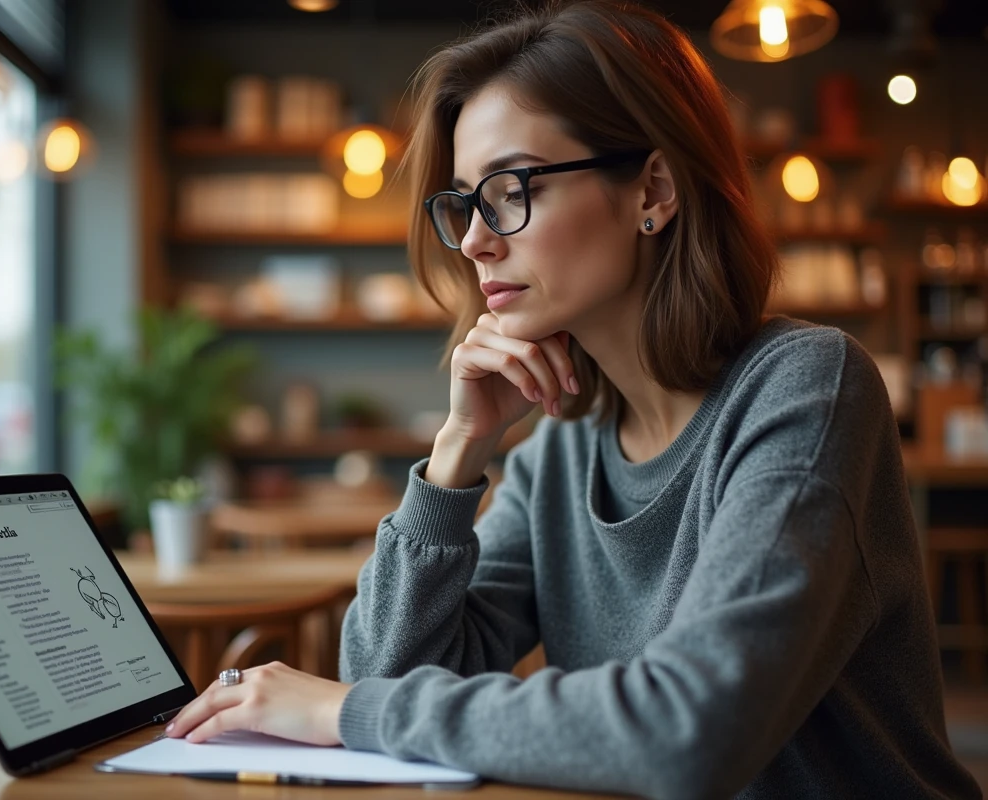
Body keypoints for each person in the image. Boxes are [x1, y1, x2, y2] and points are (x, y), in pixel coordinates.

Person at [165, 2, 980, 797]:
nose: (476, 239)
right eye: (465, 202)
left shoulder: (804, 387)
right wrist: (456, 453)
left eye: (511, 187)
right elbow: (385, 677)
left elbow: (690, 730)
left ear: (652, 190)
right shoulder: (562, 447)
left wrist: (345, 711)